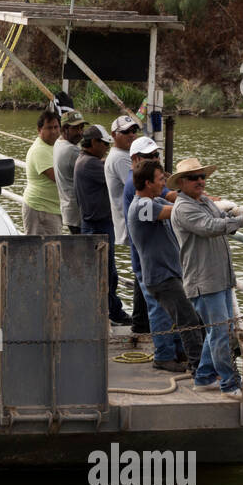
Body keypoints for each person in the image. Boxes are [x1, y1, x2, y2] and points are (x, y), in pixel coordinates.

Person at [168, 157, 243, 400]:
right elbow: (210, 227)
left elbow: (222, 222)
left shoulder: (203, 201)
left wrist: (237, 213)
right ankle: (230, 385)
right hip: (204, 281)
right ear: (181, 182)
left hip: (221, 277)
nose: (200, 181)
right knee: (221, 333)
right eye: (194, 178)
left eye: (202, 176)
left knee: (219, 332)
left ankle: (203, 378)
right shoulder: (184, 208)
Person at [128, 160, 204, 374]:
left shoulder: (152, 200)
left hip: (168, 274)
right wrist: (201, 206)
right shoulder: (143, 206)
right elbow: (177, 212)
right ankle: (199, 366)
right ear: (147, 183)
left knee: (184, 317)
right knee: (188, 319)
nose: (163, 184)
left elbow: (173, 201)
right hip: (161, 277)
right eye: (160, 179)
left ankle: (184, 357)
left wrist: (203, 200)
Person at [121, 138, 183, 368]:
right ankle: (164, 356)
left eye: (157, 155)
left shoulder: (147, 189)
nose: (156, 159)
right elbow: (171, 208)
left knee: (169, 308)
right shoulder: (138, 193)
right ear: (136, 160)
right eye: (150, 157)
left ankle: (176, 350)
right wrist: (203, 206)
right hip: (148, 260)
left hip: (158, 259)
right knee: (158, 308)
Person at [74, 124, 131, 325]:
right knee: (106, 274)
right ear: (94, 143)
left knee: (104, 272)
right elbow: (112, 172)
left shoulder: (85, 160)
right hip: (98, 225)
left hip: (95, 223)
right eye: (104, 143)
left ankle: (108, 312)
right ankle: (112, 313)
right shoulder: (90, 164)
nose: (107, 147)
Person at [105, 114, 148, 332]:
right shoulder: (122, 159)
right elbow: (143, 185)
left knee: (142, 269)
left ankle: (141, 319)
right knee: (143, 270)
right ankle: (141, 321)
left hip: (131, 219)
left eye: (134, 131)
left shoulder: (120, 156)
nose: (131, 135)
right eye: (126, 132)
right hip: (134, 222)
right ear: (114, 135)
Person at [22, 108, 63, 235]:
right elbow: (58, 177)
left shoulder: (56, 145)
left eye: (56, 127)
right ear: (39, 130)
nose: (54, 131)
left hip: (51, 209)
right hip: (41, 210)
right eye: (49, 128)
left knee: (51, 250)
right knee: (41, 251)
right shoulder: (39, 150)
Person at [51, 110, 87, 234]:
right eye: (76, 128)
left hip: (69, 210)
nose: (80, 132)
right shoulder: (71, 150)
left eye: (82, 128)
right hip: (77, 213)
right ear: (65, 129)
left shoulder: (59, 142)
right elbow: (92, 164)